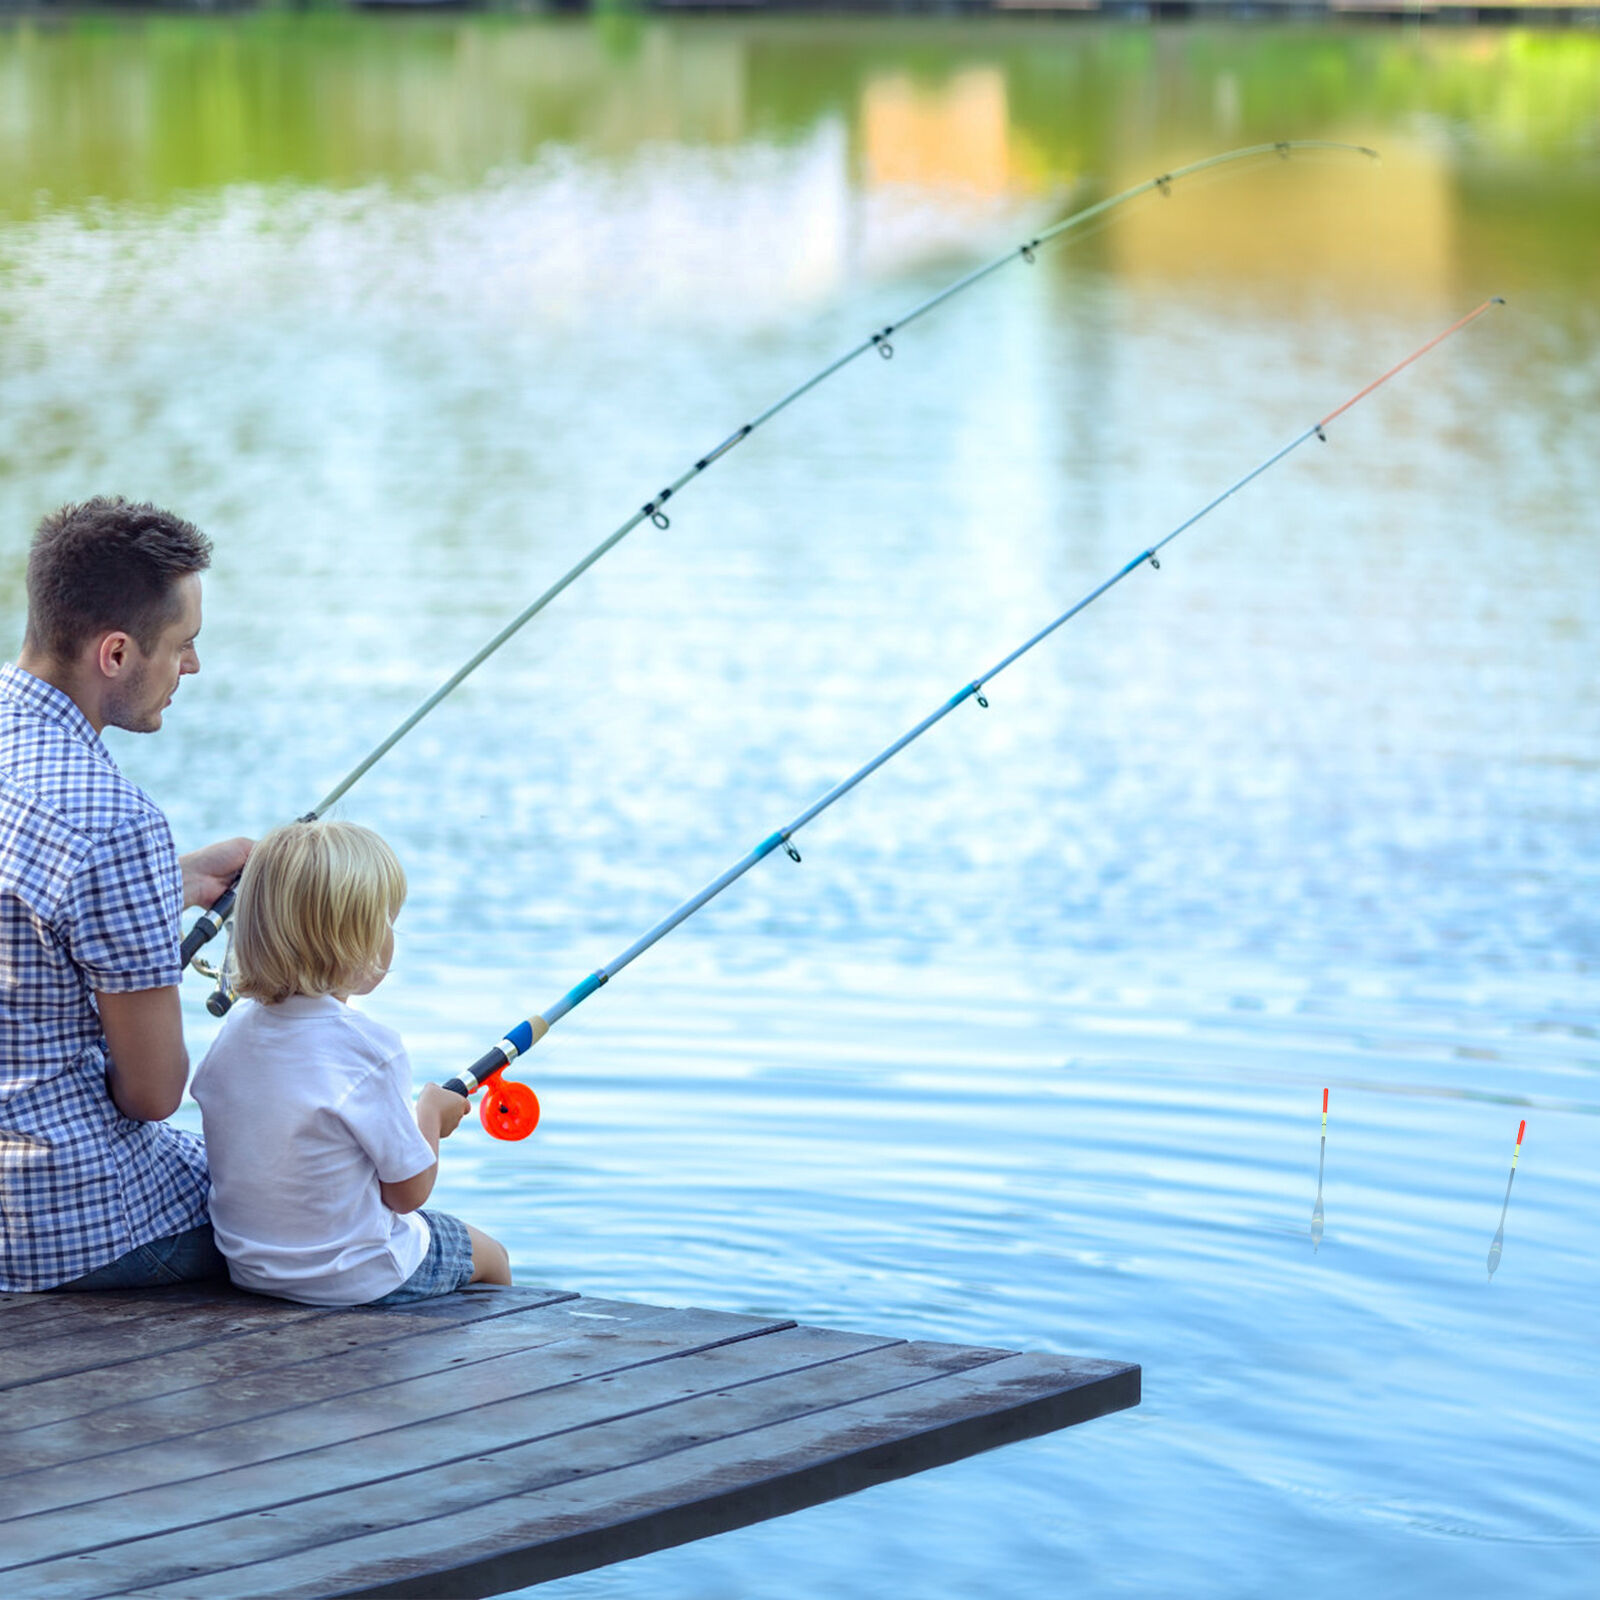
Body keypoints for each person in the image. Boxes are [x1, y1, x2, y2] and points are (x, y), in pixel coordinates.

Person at [0, 496, 252, 1293]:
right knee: (315, 1202)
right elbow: (150, 1095)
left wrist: (170, 883)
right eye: (183, 646)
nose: (193, 669)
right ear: (115, 654)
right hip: (59, 1221)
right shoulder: (113, 820)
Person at [192, 819, 510, 1306]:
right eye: (385, 921)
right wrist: (430, 1113)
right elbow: (407, 1195)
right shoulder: (369, 1048)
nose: (391, 936)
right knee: (492, 1256)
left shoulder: (236, 1029)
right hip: (357, 1276)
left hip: (251, 1268)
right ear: (352, 942)